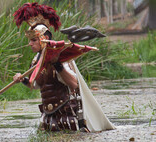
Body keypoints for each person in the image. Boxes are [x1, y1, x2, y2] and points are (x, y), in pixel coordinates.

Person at [12, 2, 115, 132]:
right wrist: (23, 80)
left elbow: (74, 84)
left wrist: (57, 64)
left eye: (34, 40)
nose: (30, 43)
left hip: (65, 113)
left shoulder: (61, 58)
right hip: (47, 114)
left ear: (43, 39)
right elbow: (37, 85)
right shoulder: (36, 61)